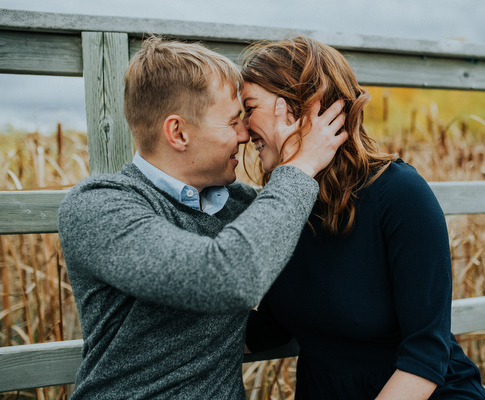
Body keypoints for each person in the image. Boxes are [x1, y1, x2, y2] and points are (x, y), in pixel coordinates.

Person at [58, 36, 347, 399]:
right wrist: (301, 166)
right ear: (178, 132)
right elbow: (225, 279)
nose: (244, 134)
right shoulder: (98, 208)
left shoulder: (241, 204)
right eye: (232, 122)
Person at [241, 35, 485, 399]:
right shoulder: (283, 206)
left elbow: (426, 353)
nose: (244, 131)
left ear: (300, 107)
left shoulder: (400, 194)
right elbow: (274, 326)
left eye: (249, 108)